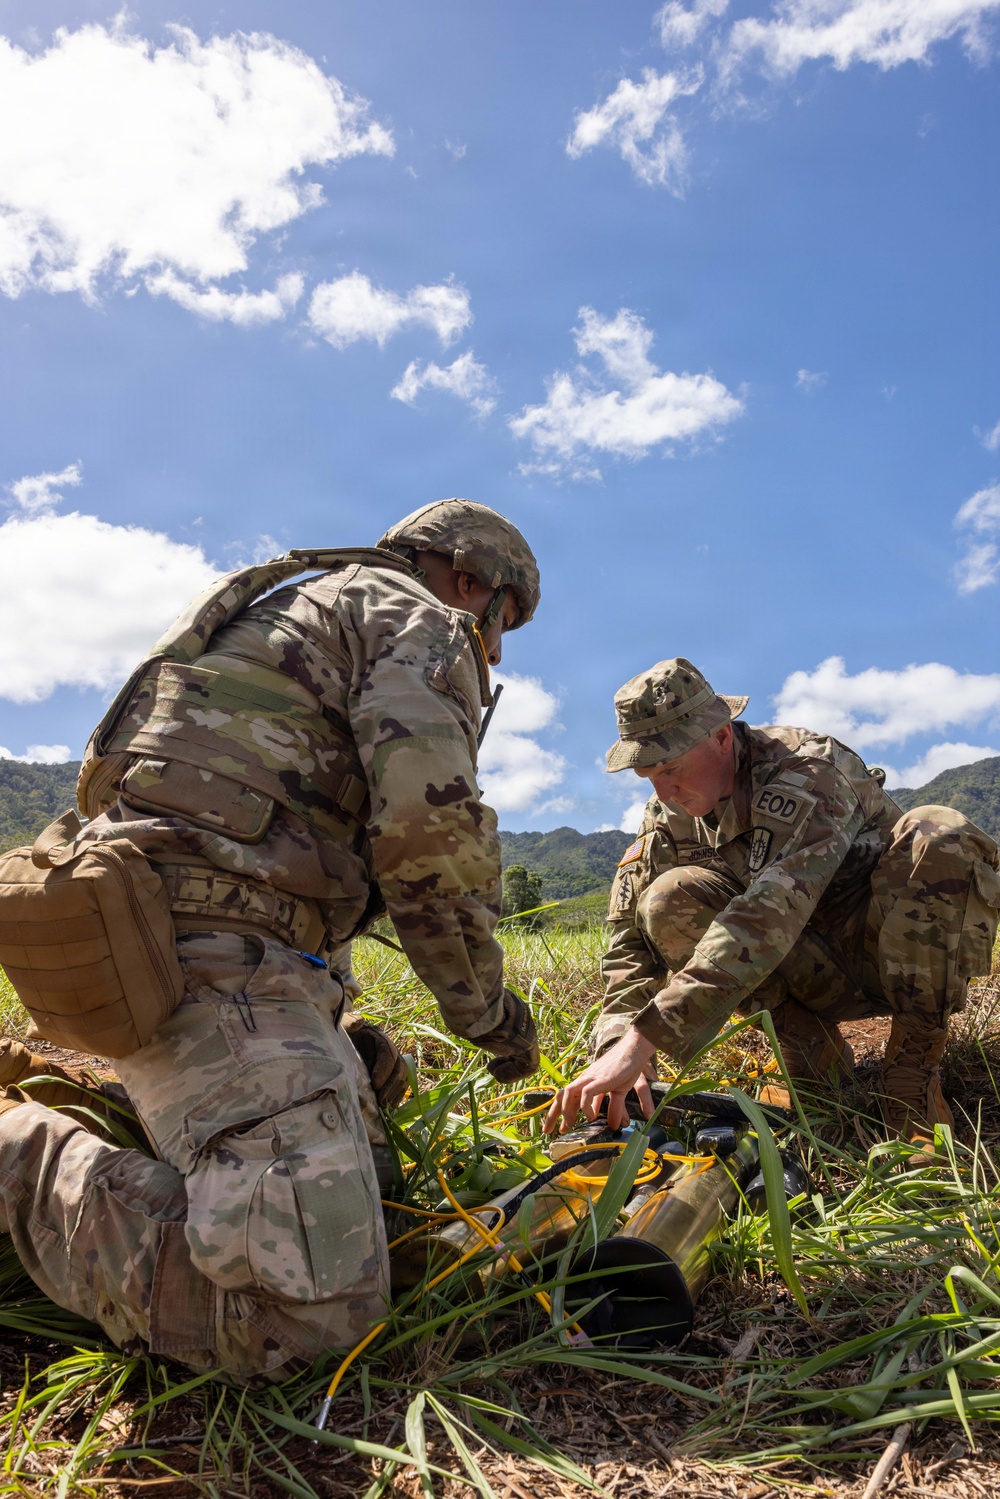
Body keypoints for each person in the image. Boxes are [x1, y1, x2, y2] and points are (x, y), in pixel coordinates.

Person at [0, 499, 541, 1378]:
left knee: (377, 1197)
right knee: (305, 1317)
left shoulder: (294, 610)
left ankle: (80, 1105)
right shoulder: (421, 618)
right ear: (469, 576)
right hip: (210, 957)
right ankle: (18, 1152)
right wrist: (494, 1019)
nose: (498, 647)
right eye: (504, 618)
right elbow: (430, 839)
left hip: (160, 941)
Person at [545, 658, 1000, 1153]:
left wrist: (645, 1039)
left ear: (722, 736)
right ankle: (811, 1054)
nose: (663, 792)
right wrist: (617, 1044)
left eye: (671, 768)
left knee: (940, 832)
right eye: (647, 775)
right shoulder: (667, 815)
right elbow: (628, 941)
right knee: (666, 898)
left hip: (890, 958)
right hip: (808, 971)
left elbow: (767, 913)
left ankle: (910, 1075)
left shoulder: (808, 770)